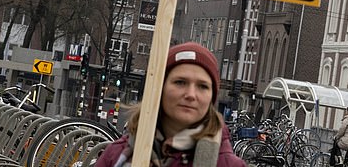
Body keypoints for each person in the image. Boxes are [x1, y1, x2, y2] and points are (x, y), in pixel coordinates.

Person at [96, 42, 246, 167]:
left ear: (212, 96)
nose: (191, 95)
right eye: (180, 82)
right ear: (160, 88)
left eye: (202, 86)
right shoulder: (115, 155)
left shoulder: (228, 164)